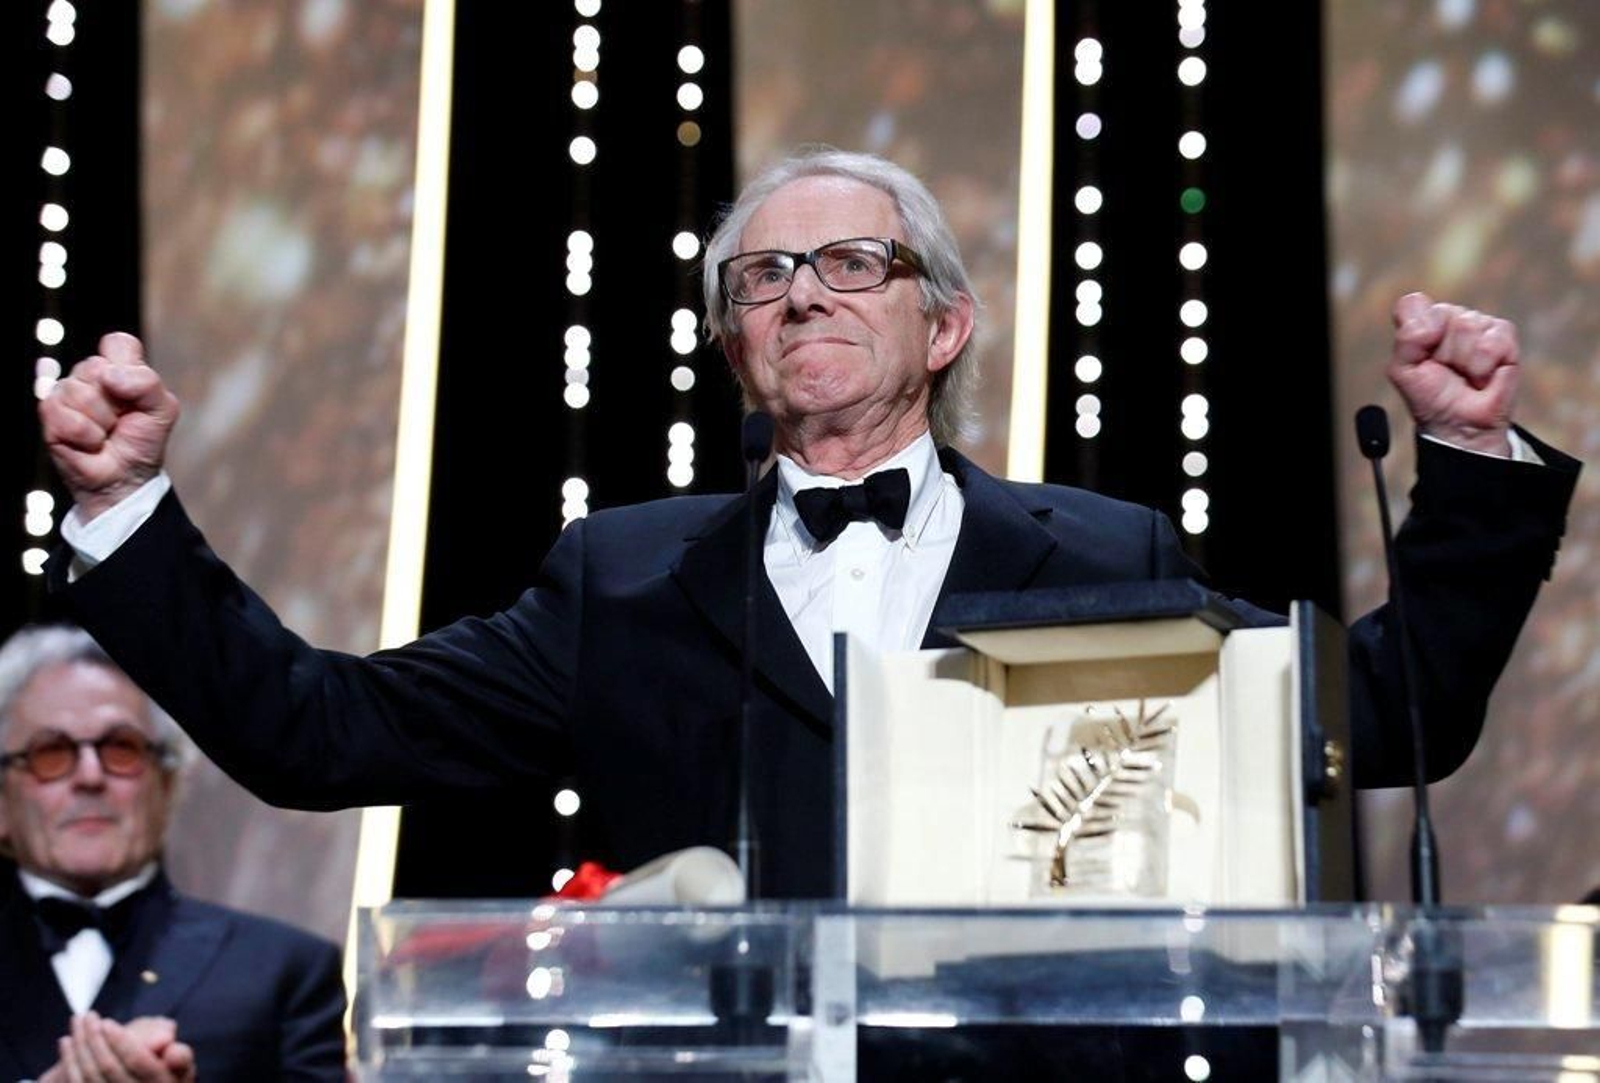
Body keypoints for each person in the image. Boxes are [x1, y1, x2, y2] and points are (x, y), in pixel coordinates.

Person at [38, 149, 1578, 899]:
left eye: (851, 261)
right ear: (732, 347)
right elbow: (318, 729)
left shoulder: (1104, 556)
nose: (802, 294)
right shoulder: (624, 577)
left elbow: (1377, 714)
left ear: (947, 325)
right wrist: (127, 510)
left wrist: (1466, 454)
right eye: (761, 281)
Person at [0, 625, 348, 1082]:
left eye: (120, 747)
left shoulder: (286, 970)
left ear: (167, 784)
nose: (89, 776)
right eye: (51, 752)